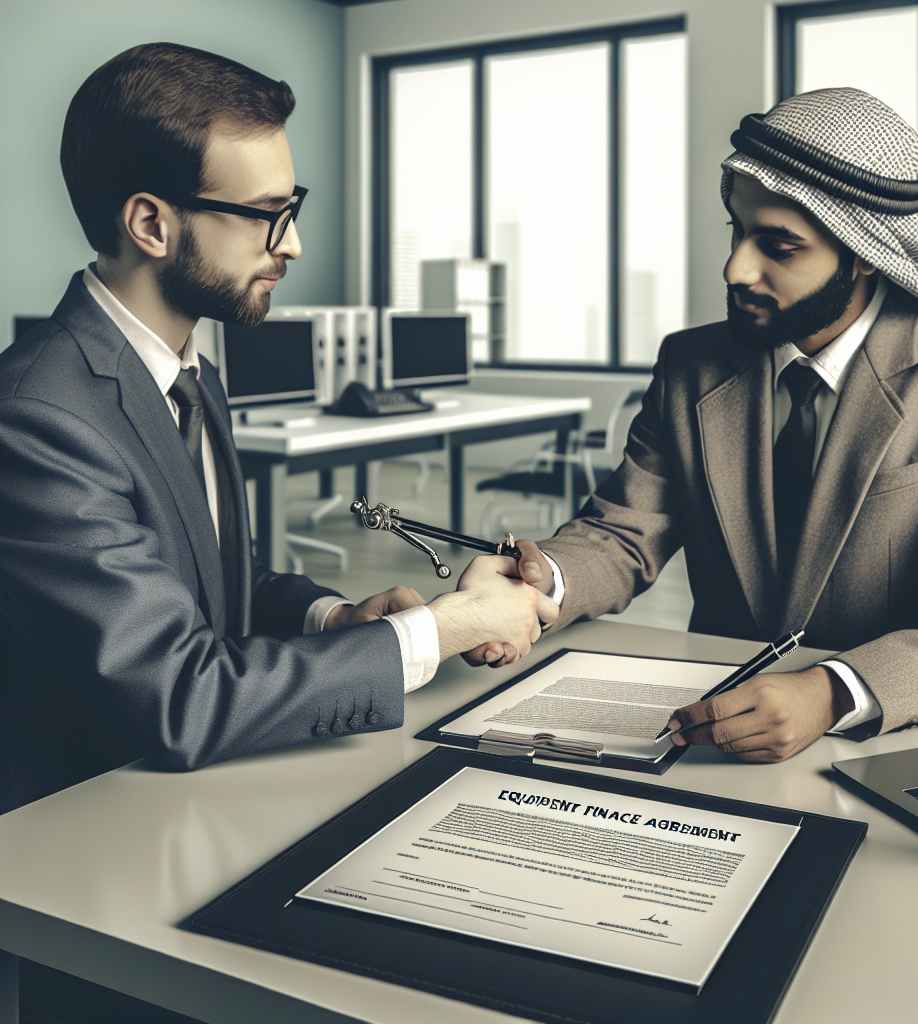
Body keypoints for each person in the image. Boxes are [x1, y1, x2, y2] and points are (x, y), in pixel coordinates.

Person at [0, 42, 556, 819]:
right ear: (152, 224)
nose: (291, 243)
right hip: (79, 830)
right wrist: (444, 628)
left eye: (291, 209)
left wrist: (334, 619)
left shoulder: (189, 376)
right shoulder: (38, 418)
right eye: (266, 215)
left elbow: (216, 586)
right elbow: (180, 697)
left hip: (193, 801)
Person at [471, 88, 918, 763]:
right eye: (737, 230)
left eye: (780, 247)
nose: (736, 268)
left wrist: (832, 692)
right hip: (705, 740)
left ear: (866, 253)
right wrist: (542, 578)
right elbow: (623, 533)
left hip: (889, 746)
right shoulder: (690, 363)